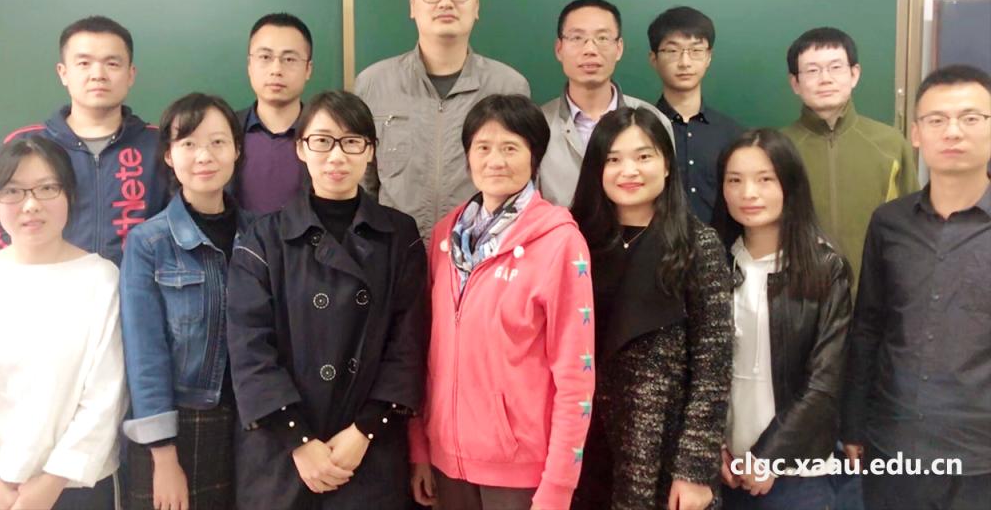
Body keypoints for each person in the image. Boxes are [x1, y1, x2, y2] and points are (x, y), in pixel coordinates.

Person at [226, 90, 428, 510]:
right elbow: (249, 349)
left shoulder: (399, 235)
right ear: (301, 148)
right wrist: (300, 441)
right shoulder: (263, 238)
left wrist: (365, 430)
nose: (336, 156)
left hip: (368, 448)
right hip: (282, 450)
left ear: (370, 151)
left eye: (352, 142)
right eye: (322, 141)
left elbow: (408, 344)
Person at [410, 94, 595, 510]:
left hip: (523, 471)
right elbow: (425, 352)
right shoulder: (445, 237)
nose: (495, 160)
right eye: (483, 147)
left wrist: (559, 484)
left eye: (510, 148)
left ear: (534, 157)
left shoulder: (560, 242)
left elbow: (576, 376)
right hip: (446, 463)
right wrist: (421, 447)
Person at [842, 65, 991, 510]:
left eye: (970, 118)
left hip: (980, 455)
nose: (953, 132)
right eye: (936, 119)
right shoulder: (889, 222)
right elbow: (868, 327)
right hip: (894, 445)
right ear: (916, 133)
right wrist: (853, 424)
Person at [570, 106, 731, 510]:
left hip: (664, 451)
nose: (629, 171)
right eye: (613, 159)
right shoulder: (575, 241)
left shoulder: (697, 244)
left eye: (643, 156)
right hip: (584, 446)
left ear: (667, 165)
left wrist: (694, 470)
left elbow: (713, 368)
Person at [0, 136, 127, 510]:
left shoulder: (102, 279)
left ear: (69, 195)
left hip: (77, 486)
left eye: (47, 188)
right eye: (13, 191)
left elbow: (108, 393)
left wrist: (51, 483)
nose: (31, 204)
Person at [120, 94, 253, 510]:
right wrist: (163, 457)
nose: (204, 156)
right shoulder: (149, 243)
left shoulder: (262, 235)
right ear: (169, 155)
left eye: (217, 142)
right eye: (189, 143)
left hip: (254, 422)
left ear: (236, 149)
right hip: (181, 424)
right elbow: (144, 354)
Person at [712, 129, 852, 509]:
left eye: (765, 179)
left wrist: (767, 456)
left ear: (789, 185)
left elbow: (824, 380)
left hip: (798, 472)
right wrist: (711, 446)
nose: (748, 193)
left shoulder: (825, 268)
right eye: (735, 181)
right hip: (725, 470)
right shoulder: (713, 262)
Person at [355, 0, 530, 241]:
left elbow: (519, 186)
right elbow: (362, 184)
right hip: (393, 252)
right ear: (412, 6)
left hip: (479, 254)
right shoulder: (373, 84)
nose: (446, 2)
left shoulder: (508, 87)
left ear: (476, 6)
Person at [0, 15, 167, 265]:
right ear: (63, 73)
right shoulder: (26, 144)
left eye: (112, 63)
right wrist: (31, 273)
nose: (98, 75)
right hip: (49, 284)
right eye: (84, 63)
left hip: (141, 286)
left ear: (130, 74)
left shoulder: (160, 144)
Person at [781, 27, 918, 290]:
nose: (825, 79)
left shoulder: (890, 144)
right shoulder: (777, 148)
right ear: (795, 83)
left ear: (854, 74)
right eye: (812, 70)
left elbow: (914, 225)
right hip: (799, 298)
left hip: (878, 295)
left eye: (836, 67)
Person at [540, 0, 673, 207]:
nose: (590, 49)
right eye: (577, 38)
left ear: (619, 48)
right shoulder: (537, 125)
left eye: (602, 38)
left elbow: (668, 200)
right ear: (559, 49)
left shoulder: (654, 120)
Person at [648, 6, 743, 224]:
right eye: (672, 51)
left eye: (696, 50)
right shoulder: (642, 130)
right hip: (655, 244)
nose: (685, 62)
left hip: (721, 245)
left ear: (709, 57)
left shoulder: (733, 134)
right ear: (653, 59)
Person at [233, 12, 314, 215]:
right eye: (265, 57)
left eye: (289, 59)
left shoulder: (327, 136)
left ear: (308, 69)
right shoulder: (224, 131)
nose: (276, 69)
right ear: (249, 65)